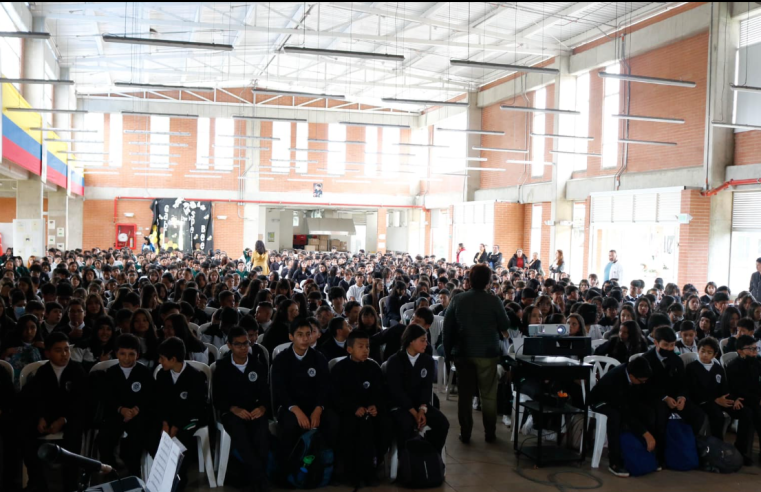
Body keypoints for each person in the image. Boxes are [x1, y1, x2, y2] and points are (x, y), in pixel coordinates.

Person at [443, 264, 508, 443]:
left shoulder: (458, 299)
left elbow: (447, 329)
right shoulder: (494, 301)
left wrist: (448, 353)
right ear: (488, 281)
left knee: (464, 396)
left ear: (469, 280)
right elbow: (505, 325)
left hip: (463, 353)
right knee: (488, 395)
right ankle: (490, 433)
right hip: (488, 354)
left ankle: (465, 433)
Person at [21, 333, 88, 492]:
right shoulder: (43, 372)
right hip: (47, 417)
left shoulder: (77, 370)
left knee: (74, 433)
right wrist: (40, 417)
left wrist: (63, 420)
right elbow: (34, 398)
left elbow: (82, 402)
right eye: (58, 350)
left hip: (70, 418)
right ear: (48, 353)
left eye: (66, 349)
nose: (64, 354)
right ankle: (37, 481)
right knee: (25, 431)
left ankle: (70, 484)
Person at [271, 319, 338, 467]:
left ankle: (326, 465)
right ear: (291, 337)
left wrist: (318, 409)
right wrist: (296, 410)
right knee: (291, 425)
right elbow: (279, 390)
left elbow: (325, 387)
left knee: (332, 421)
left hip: (314, 406)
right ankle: (290, 468)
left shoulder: (319, 358)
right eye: (300, 334)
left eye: (308, 334)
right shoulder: (281, 360)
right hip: (290, 408)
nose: (305, 338)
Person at [213, 327, 271, 492]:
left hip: (253, 410)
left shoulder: (257, 365)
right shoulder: (222, 367)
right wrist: (233, 408)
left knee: (261, 430)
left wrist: (262, 407)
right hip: (232, 411)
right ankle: (260, 476)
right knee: (239, 431)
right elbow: (217, 398)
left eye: (246, 343)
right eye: (238, 345)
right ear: (229, 346)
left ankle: (257, 476)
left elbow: (265, 393)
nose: (244, 348)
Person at [331, 331, 388, 487]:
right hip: (348, 412)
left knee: (382, 424)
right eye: (361, 346)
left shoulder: (373, 367)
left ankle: (372, 469)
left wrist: (375, 406)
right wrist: (353, 408)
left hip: (370, 412)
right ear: (349, 349)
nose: (365, 350)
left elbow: (380, 392)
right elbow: (335, 396)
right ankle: (352, 473)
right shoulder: (340, 369)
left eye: (367, 347)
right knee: (352, 427)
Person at [642, 327, 706, 463]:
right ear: (656, 342)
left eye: (672, 345)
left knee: (698, 414)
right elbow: (646, 386)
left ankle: (688, 447)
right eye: (666, 345)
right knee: (660, 415)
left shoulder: (676, 360)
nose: (669, 349)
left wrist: (681, 397)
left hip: (675, 399)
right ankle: (660, 454)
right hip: (654, 399)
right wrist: (664, 398)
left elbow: (683, 383)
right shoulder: (646, 360)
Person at [98, 334, 155, 476]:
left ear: (138, 354)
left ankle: (134, 473)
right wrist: (121, 409)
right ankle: (110, 471)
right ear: (116, 353)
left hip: (138, 415)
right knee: (105, 437)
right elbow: (108, 397)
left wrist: (136, 409)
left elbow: (149, 396)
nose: (127, 358)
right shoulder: (111, 373)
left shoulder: (144, 372)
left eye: (131, 354)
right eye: (122, 354)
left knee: (136, 437)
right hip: (116, 414)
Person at [154, 337, 208, 490]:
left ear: (173, 359)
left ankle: (179, 479)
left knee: (181, 440)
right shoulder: (162, 375)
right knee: (155, 436)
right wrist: (165, 423)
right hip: (169, 418)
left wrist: (176, 426)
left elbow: (195, 407)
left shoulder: (196, 376)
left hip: (190, 419)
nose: (160, 361)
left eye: (162, 358)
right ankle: (160, 477)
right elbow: (160, 402)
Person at [385, 324, 449, 452]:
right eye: (423, 340)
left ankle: (431, 456)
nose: (426, 344)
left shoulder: (428, 361)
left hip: (420, 405)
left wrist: (422, 409)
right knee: (405, 425)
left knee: (442, 423)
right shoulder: (395, 361)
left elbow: (426, 388)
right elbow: (396, 391)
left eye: (426, 340)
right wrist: (414, 412)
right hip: (400, 406)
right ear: (411, 341)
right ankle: (406, 462)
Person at [588, 356, 655, 478]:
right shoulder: (615, 380)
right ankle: (614, 461)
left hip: (620, 402)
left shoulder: (633, 373)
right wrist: (645, 433)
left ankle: (647, 452)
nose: (643, 383)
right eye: (641, 381)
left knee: (647, 411)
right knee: (615, 416)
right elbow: (624, 410)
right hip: (600, 401)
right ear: (632, 376)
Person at [685, 337, 749, 463]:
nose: (705, 355)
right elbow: (693, 392)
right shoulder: (692, 368)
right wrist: (714, 400)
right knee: (717, 416)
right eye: (702, 351)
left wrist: (734, 399)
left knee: (746, 412)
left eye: (709, 352)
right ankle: (717, 451)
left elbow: (724, 388)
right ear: (698, 350)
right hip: (703, 402)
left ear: (715, 354)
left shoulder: (718, 368)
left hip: (720, 400)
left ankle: (741, 449)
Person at [725, 335, 761, 464]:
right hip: (737, 400)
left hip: (753, 399)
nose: (754, 352)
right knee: (749, 413)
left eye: (755, 349)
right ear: (740, 351)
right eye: (750, 349)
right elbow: (729, 387)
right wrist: (735, 399)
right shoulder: (733, 366)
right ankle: (742, 451)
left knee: (757, 412)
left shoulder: (756, 363)